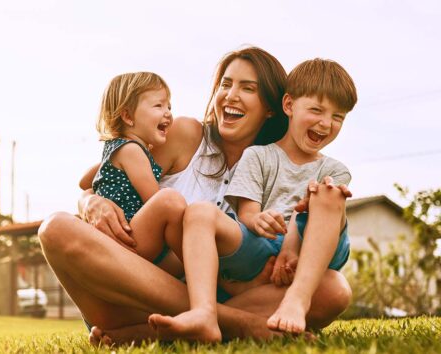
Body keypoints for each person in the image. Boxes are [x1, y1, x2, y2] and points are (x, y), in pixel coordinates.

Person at [38, 46, 353, 345]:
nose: (231, 95)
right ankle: (235, 324)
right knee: (55, 228)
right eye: (225, 84)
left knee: (333, 289)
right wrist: (92, 203)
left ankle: (164, 328)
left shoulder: (280, 166)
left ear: (271, 108)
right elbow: (105, 174)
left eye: (247, 88)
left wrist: (289, 256)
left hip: (227, 295)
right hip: (129, 292)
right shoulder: (185, 135)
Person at [147, 58, 357, 340]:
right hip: (263, 245)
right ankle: (203, 313)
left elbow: (311, 217)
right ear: (288, 106)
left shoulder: (334, 170)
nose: (325, 123)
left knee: (328, 195)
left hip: (313, 249)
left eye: (337, 117)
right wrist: (257, 219)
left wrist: (292, 247)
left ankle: (297, 299)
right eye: (317, 110)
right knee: (199, 212)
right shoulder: (258, 155)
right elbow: (247, 212)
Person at [83, 72, 186, 271]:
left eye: (169, 106)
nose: (168, 113)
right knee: (170, 202)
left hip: (123, 238)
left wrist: (93, 198)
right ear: (128, 116)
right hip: (129, 237)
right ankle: (202, 269)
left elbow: (84, 182)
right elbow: (154, 199)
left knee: (182, 266)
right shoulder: (132, 151)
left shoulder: (115, 148)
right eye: (159, 105)